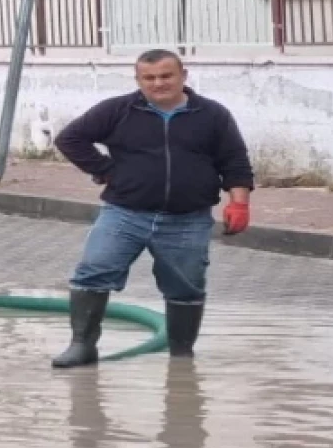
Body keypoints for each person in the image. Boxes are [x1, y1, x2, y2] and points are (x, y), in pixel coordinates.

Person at [50, 49, 254, 368]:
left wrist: (239, 203)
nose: (158, 83)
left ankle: (181, 355)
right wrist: (105, 170)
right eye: (149, 78)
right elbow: (70, 139)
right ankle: (82, 345)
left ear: (183, 76)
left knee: (186, 285)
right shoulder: (117, 110)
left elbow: (235, 161)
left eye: (166, 75)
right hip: (124, 214)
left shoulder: (212, 115)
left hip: (187, 219)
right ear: (138, 80)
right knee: (94, 271)